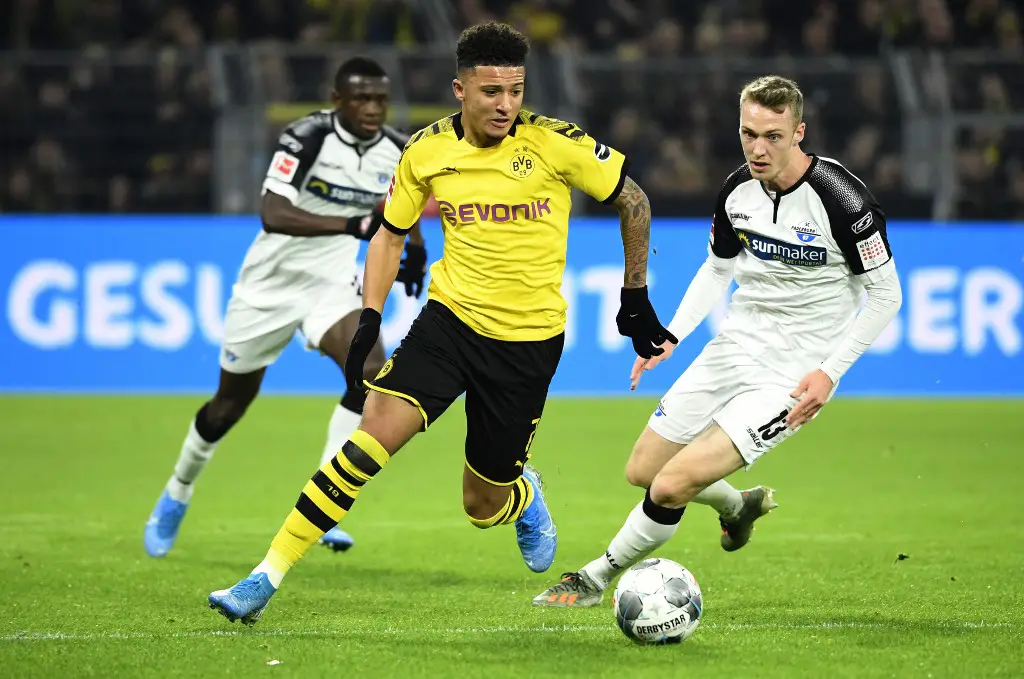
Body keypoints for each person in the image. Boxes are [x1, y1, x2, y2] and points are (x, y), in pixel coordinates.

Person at [207, 21, 675, 625]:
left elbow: (633, 199)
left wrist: (634, 296)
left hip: (527, 345)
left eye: (515, 90)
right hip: (448, 324)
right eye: (491, 92)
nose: (506, 104)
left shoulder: (556, 144)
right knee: (368, 442)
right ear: (460, 90)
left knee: (482, 506)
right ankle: (263, 577)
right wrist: (371, 317)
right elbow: (390, 232)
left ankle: (523, 493)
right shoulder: (426, 151)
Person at [533, 74, 904, 607]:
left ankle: (593, 577)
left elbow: (886, 296)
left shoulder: (842, 202)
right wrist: (671, 336)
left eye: (773, 136)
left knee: (669, 485)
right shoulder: (737, 190)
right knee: (642, 470)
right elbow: (717, 269)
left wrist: (829, 372)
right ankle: (738, 507)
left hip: (791, 378)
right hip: (733, 350)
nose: (758, 147)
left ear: (799, 132)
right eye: (748, 133)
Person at [144, 57, 427, 558]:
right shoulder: (307, 135)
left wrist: (416, 249)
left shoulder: (398, 149)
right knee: (227, 407)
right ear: (338, 100)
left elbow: (402, 206)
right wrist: (353, 227)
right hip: (267, 287)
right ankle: (177, 491)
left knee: (370, 374)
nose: (372, 108)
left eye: (380, 99)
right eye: (361, 98)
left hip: (332, 283)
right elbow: (272, 213)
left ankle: (322, 502)